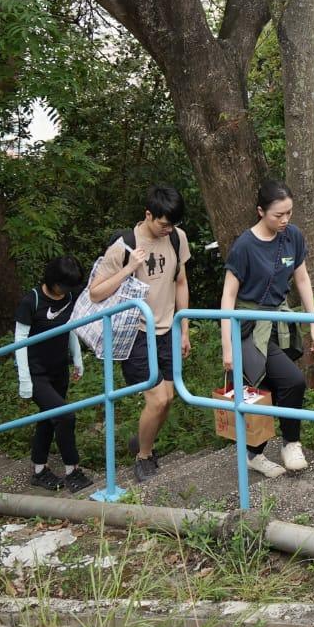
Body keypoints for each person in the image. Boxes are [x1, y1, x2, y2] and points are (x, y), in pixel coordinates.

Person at [88, 184, 192, 483]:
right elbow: (95, 293)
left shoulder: (176, 238)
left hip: (167, 329)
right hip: (135, 333)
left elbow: (181, 282)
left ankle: (142, 440)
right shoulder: (124, 246)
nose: (168, 229)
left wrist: (183, 328)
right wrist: (129, 267)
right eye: (163, 224)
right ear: (148, 215)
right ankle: (143, 456)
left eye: (173, 224)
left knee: (169, 399)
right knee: (157, 400)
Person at [220, 180, 314, 479]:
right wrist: (227, 346)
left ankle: (257, 453)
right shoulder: (244, 246)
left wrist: (313, 324)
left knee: (269, 388)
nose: (285, 220)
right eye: (278, 215)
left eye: (289, 213)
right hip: (249, 326)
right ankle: (289, 443)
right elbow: (228, 295)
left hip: (278, 323)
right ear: (260, 212)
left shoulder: (292, 237)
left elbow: (302, 280)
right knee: (289, 382)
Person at [14, 255, 92, 493]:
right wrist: (25, 381)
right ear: (53, 280)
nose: (68, 291)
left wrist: (77, 360)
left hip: (59, 369)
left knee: (49, 418)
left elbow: (70, 328)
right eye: (65, 285)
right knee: (65, 416)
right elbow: (19, 342)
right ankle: (72, 470)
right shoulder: (32, 301)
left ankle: (39, 470)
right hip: (37, 374)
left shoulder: (68, 297)